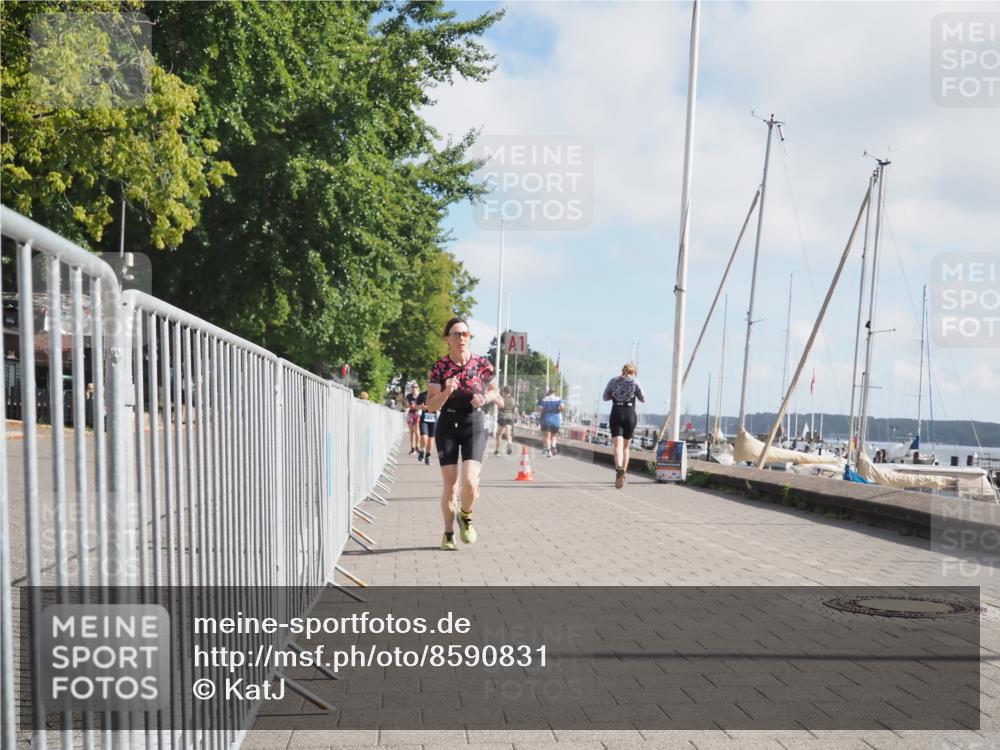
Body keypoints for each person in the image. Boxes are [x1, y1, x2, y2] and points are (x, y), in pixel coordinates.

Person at [424, 317, 501, 551]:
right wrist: (447, 391)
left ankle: (466, 516)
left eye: (465, 334)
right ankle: (448, 533)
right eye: (456, 334)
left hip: (474, 424)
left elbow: (497, 393)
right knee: (451, 485)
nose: (461, 338)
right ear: (447, 339)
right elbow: (431, 406)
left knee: (470, 482)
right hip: (447, 423)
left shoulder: (482, 364)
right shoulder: (439, 368)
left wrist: (485, 398)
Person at [603, 362, 645, 489]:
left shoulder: (613, 381)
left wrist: (615, 395)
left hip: (616, 412)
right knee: (626, 448)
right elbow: (643, 398)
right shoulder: (635, 381)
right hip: (630, 413)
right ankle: (624, 474)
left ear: (622, 371)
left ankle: (618, 469)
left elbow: (605, 397)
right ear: (634, 372)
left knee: (617, 446)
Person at [536, 388, 564, 456]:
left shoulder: (544, 399)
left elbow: (539, 409)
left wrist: (543, 411)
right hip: (556, 420)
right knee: (554, 435)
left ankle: (548, 450)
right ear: (555, 392)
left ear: (549, 392)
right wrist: (558, 411)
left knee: (547, 436)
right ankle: (554, 446)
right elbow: (562, 407)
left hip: (546, 419)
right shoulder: (559, 399)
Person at [494, 385, 518, 456]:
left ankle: (497, 450)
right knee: (508, 433)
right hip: (510, 417)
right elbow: (515, 410)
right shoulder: (513, 399)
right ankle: (509, 443)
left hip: (502, 417)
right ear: (510, 392)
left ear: (504, 391)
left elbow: (499, 407)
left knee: (499, 434)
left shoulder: (501, 398)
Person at [416, 387, 436, 465]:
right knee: (424, 438)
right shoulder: (422, 395)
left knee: (431, 441)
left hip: (433, 420)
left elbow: (441, 407)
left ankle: (428, 457)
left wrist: (433, 408)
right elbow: (416, 406)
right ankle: (421, 451)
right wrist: (421, 407)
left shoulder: (437, 395)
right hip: (424, 419)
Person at [405, 382, 421, 455]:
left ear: (418, 388)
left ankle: (417, 446)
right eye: (413, 387)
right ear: (411, 388)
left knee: (417, 431)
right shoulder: (409, 396)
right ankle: (412, 448)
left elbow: (422, 405)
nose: (414, 388)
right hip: (411, 414)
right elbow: (407, 405)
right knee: (412, 431)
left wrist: (416, 406)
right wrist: (407, 404)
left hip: (418, 414)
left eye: (416, 387)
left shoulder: (420, 396)